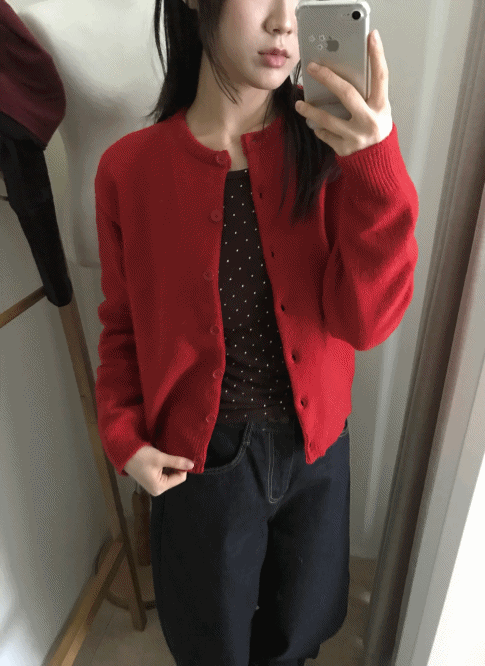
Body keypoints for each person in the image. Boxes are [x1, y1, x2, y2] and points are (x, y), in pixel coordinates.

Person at [94, 0, 419, 663]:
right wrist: (123, 437)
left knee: (298, 635)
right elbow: (123, 325)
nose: (285, 21)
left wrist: (376, 165)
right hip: (201, 463)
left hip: (316, 453)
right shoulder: (129, 170)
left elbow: (366, 323)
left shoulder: (333, 147)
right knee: (210, 643)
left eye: (301, 0)